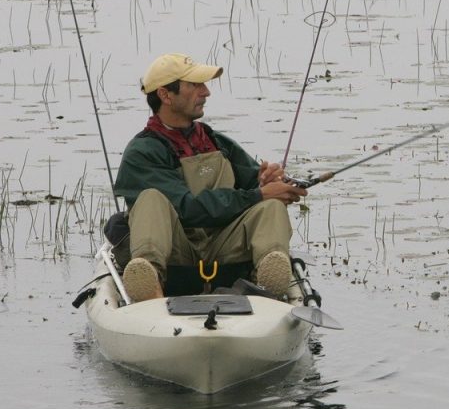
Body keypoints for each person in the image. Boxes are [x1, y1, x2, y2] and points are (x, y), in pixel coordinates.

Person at [113, 53, 307, 302]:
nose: (206, 92)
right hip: (176, 253)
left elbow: (252, 185)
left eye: (203, 85)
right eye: (195, 85)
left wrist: (268, 183)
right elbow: (187, 208)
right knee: (150, 199)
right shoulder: (142, 153)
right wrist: (257, 194)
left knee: (270, 208)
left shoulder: (216, 142)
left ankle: (267, 286)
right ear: (165, 95)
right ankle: (148, 282)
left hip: (224, 247)